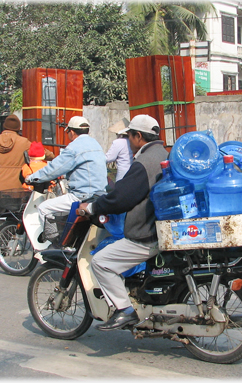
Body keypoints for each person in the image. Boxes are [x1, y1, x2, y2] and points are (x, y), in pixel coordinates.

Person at [77, 114, 169, 331]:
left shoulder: (144, 162)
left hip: (146, 235)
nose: (128, 140)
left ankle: (124, 310)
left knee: (100, 261)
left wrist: (93, 207)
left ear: (138, 136)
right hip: (158, 229)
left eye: (130, 136)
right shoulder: (162, 154)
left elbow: (121, 198)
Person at [25, 116, 107, 247]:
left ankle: (56, 245)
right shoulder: (95, 144)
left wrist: (31, 178)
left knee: (44, 208)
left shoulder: (74, 148)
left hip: (81, 196)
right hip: (99, 194)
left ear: (72, 132)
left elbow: (54, 168)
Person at [0, 115, 33, 232]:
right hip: (15, 187)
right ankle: (12, 238)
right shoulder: (24, 142)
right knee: (15, 214)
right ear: (18, 128)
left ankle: (0, 240)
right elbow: (40, 152)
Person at [105, 118, 133, 183]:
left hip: (122, 172)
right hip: (132, 170)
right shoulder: (132, 141)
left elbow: (109, 158)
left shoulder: (118, 142)